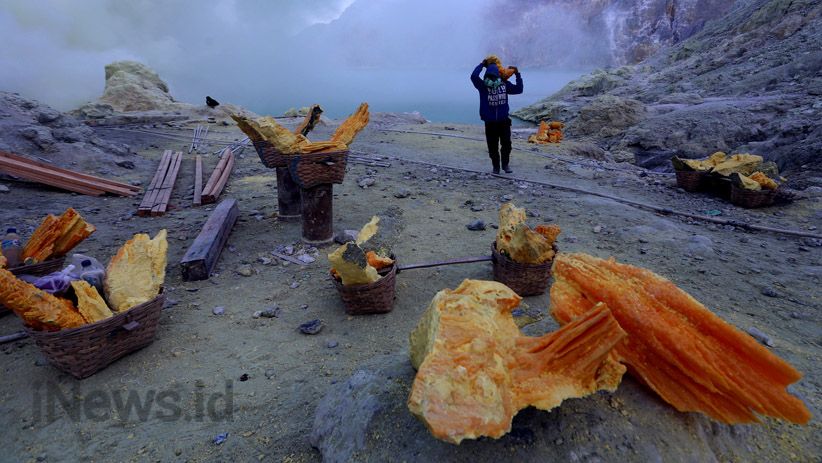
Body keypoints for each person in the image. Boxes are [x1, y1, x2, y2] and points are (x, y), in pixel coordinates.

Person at [470, 58, 523, 174]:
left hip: (503, 121)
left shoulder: (504, 84)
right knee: (492, 146)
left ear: (498, 74)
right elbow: (473, 76)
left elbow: (519, 90)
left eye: (493, 75)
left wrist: (518, 74)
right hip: (490, 122)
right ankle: (496, 167)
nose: (491, 77)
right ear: (486, 75)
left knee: (507, 145)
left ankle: (505, 165)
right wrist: (481, 64)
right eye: (489, 75)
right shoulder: (483, 86)